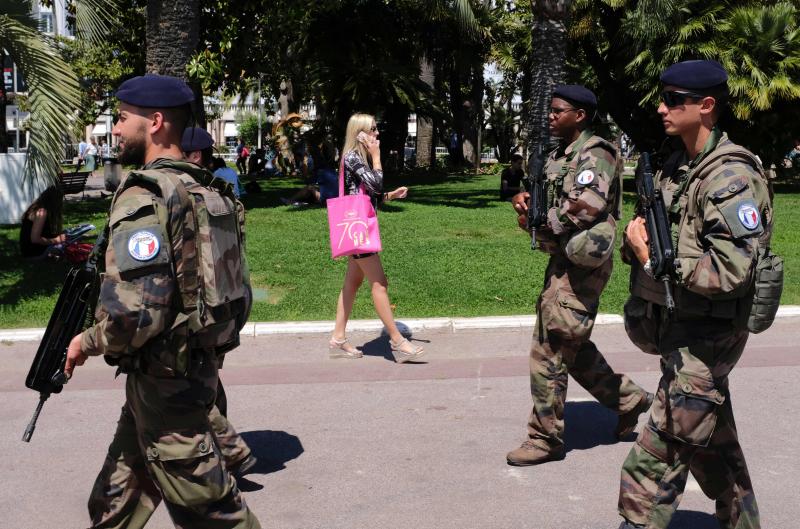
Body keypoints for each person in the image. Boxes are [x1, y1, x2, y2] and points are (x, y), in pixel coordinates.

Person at [63, 73, 261, 529]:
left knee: (218, 517)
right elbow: (236, 295)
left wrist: (88, 341)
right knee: (114, 505)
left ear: (154, 123)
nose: (115, 128)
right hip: (185, 372)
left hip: (167, 387)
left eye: (122, 117)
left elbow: (137, 311)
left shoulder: (145, 194)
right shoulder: (209, 190)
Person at [616, 60, 771, 529]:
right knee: (714, 447)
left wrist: (648, 257)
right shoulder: (678, 165)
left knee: (655, 456)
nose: (661, 108)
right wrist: (636, 244)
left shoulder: (730, 178)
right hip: (679, 327)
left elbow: (733, 271)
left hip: (711, 334)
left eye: (673, 101)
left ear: (706, 107)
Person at [506, 85, 652, 466]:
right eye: (550, 110)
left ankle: (544, 439)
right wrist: (526, 201)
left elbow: (587, 205)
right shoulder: (560, 156)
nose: (551, 115)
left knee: (550, 347)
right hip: (564, 258)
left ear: (581, 115)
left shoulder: (596, 153)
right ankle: (629, 399)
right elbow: (555, 198)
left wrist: (542, 221)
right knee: (570, 341)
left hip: (584, 264)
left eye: (558, 110)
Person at [181, 125, 256, 475]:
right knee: (207, 378)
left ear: (195, 156)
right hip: (225, 307)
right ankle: (224, 455)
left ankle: (227, 454)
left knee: (195, 385)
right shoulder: (223, 197)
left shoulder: (187, 198)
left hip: (197, 311)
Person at [330, 113, 424, 363]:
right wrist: (377, 156)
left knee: (352, 283)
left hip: (356, 227)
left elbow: (369, 193)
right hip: (357, 231)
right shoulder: (353, 157)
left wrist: (391, 196)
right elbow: (376, 183)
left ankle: (338, 337)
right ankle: (397, 339)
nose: (376, 134)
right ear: (360, 133)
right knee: (379, 283)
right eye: (372, 129)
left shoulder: (355, 158)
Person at [280, 139, 338, 206]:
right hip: (335, 199)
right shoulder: (331, 168)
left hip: (326, 201)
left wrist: (305, 165)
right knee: (315, 189)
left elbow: (308, 182)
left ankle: (290, 200)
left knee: (309, 188)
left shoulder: (320, 170)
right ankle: (303, 201)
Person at [19, 186, 66, 259]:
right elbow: (35, 239)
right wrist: (56, 240)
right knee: (69, 246)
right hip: (34, 252)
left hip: (31, 250)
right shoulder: (41, 212)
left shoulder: (37, 207)